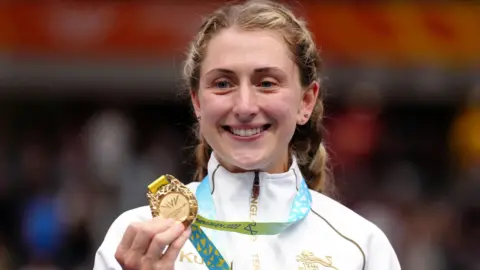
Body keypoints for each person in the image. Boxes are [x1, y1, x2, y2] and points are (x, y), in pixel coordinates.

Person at [93, 0, 401, 269]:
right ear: (198, 102)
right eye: (223, 84)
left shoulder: (360, 247)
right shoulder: (138, 239)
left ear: (306, 102)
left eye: (266, 83)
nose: (244, 106)